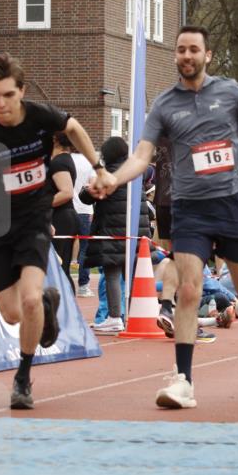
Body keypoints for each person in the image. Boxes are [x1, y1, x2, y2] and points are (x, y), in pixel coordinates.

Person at [90, 25, 238, 410]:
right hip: (189, 208)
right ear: (175, 56)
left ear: (207, 55)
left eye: (194, 49)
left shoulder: (228, 91)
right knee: (189, 289)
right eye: (181, 50)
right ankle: (183, 380)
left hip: (229, 205)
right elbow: (142, 156)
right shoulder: (164, 105)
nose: (187, 56)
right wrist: (114, 178)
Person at [0, 53, 105, 411]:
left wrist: (97, 167)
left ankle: (22, 376)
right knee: (11, 313)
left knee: (30, 298)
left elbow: (74, 128)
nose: (1, 104)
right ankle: (49, 303)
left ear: (21, 91)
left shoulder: (39, 116)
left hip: (35, 215)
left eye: (7, 95)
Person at [80, 136, 157, 335]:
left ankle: (115, 317)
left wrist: (86, 189)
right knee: (133, 275)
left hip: (112, 230)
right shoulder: (135, 171)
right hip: (136, 231)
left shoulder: (109, 174)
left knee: (112, 273)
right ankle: (138, 314)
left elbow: (88, 197)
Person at [49, 132, 78, 293]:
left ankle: (67, 309)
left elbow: (66, 192)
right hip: (63, 217)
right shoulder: (62, 160)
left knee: (59, 266)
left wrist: (41, 205)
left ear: (55, 139)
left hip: (60, 218)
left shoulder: (59, 162)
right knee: (60, 266)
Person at [70, 148, 94, 297]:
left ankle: (63, 283)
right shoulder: (89, 162)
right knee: (85, 249)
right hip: (85, 209)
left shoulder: (64, 160)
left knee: (63, 246)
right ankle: (83, 285)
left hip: (66, 209)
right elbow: (92, 185)